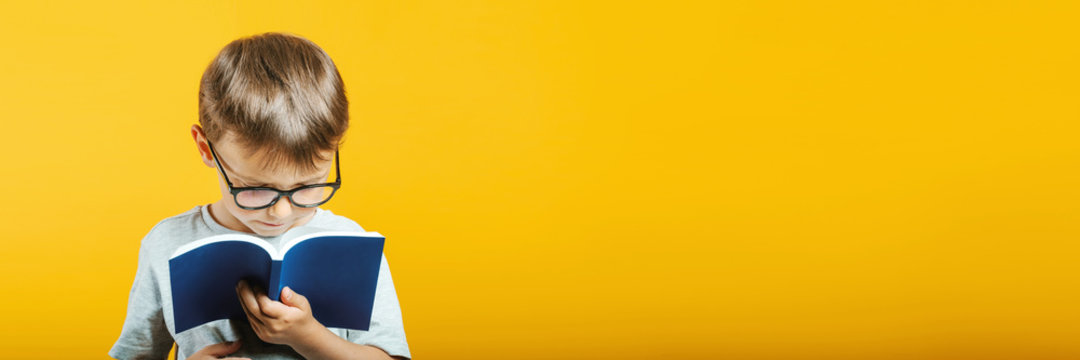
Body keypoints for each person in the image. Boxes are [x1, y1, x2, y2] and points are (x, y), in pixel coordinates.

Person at [109, 33, 410, 360]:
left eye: (307, 186)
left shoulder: (353, 245)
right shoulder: (166, 243)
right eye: (256, 189)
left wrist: (309, 337)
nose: (281, 212)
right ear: (205, 148)